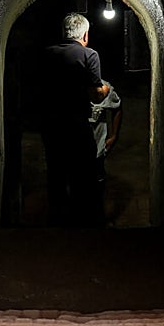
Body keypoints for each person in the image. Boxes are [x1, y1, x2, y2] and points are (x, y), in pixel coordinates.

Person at [39, 12, 110, 226]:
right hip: (77, 123)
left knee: (56, 172)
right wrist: (105, 90)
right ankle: (85, 224)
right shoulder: (89, 55)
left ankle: (58, 223)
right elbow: (96, 94)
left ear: (64, 32)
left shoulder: (45, 54)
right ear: (85, 34)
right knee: (84, 174)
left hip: (50, 124)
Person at [89, 85, 123, 222]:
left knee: (97, 183)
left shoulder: (104, 90)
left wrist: (114, 135)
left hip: (97, 148)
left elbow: (117, 108)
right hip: (77, 150)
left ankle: (97, 216)